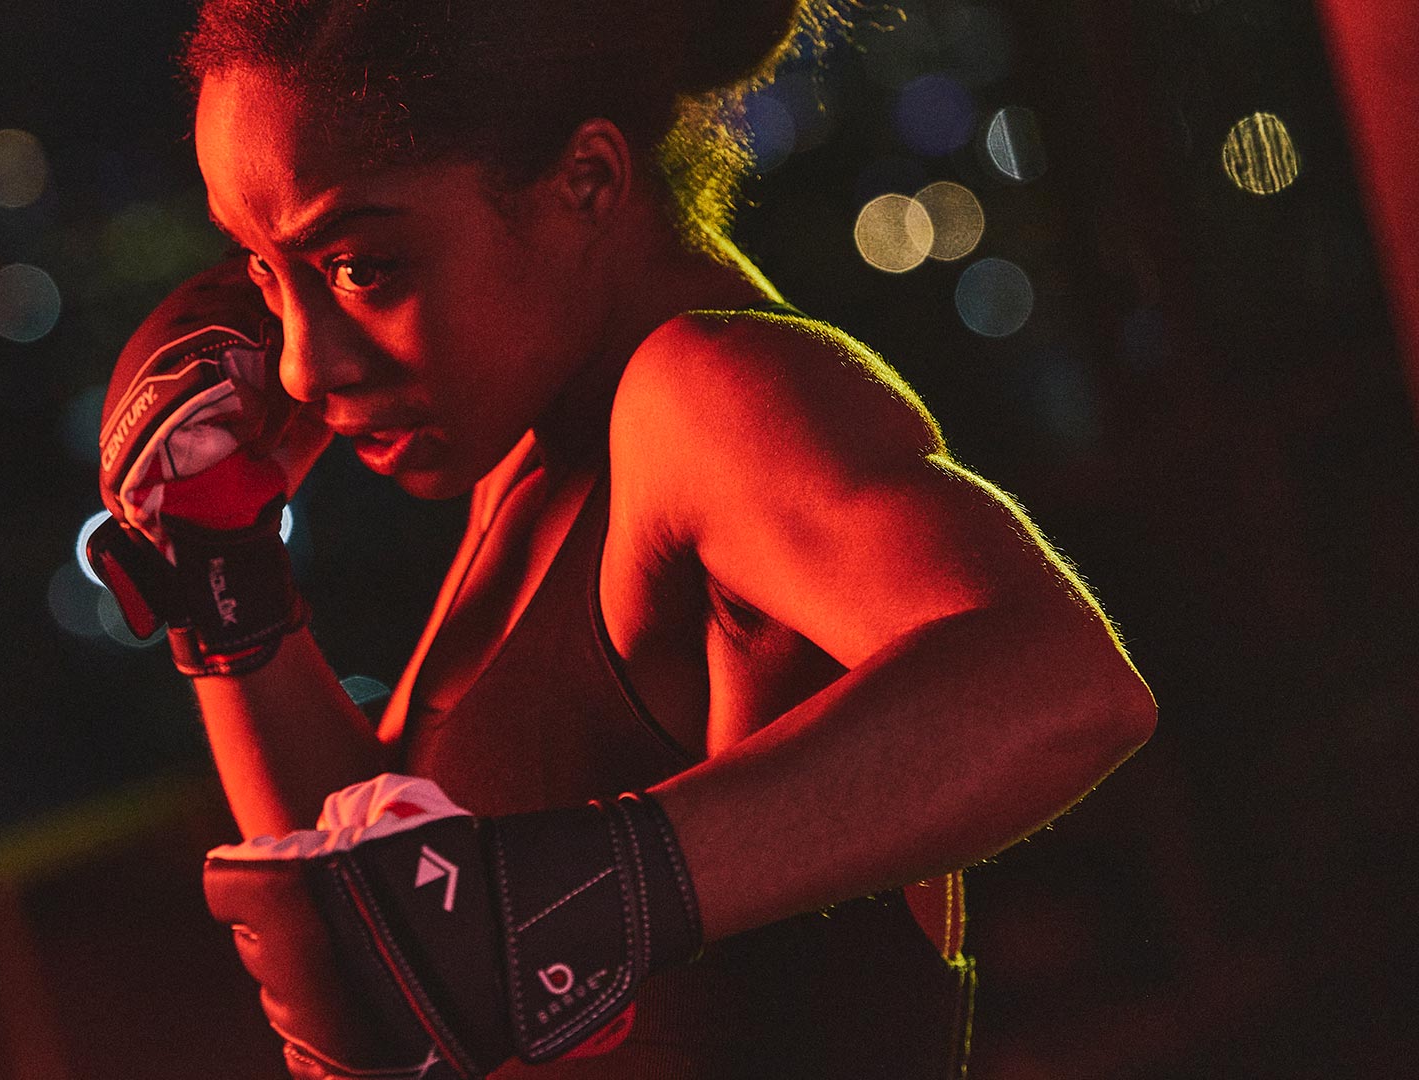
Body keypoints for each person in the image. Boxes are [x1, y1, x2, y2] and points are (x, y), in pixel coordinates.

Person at [89, 1, 1158, 1076]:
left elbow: (1064, 685)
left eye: (361, 266)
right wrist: (225, 579)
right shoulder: (535, 451)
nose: (301, 369)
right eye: (265, 273)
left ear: (586, 183)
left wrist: (600, 891)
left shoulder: (703, 394)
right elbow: (389, 950)